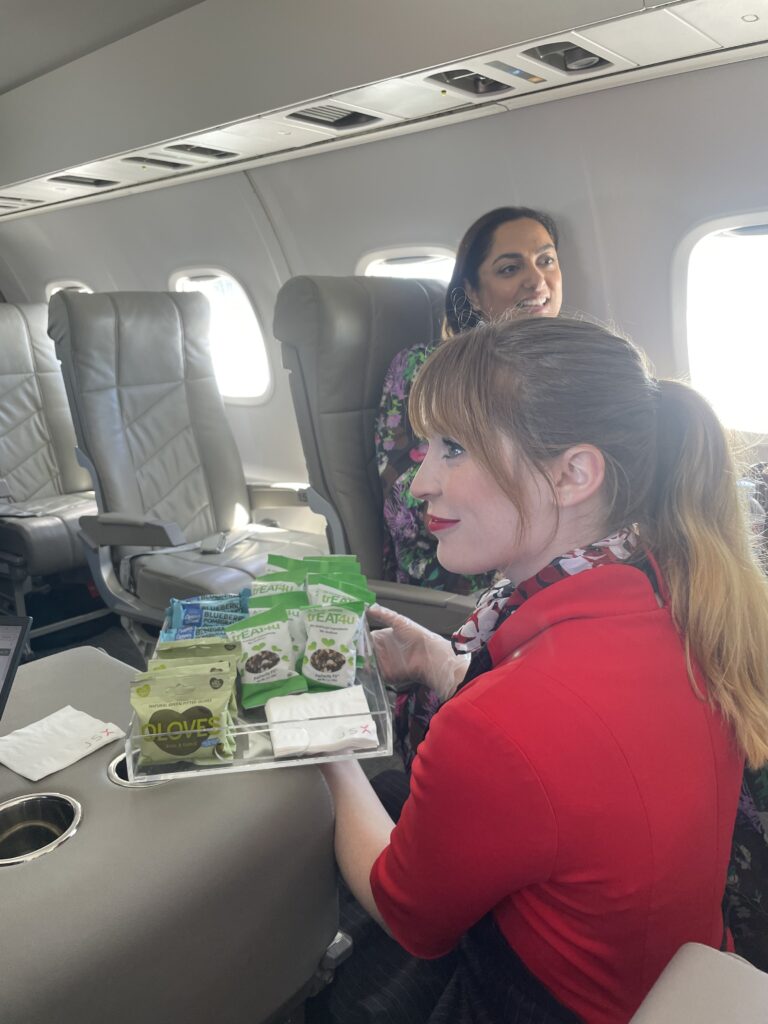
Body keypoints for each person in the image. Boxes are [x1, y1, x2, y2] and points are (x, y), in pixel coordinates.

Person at [311, 317, 768, 1024]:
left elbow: (409, 915)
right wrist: (441, 664)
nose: (416, 484)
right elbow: (582, 759)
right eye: (426, 446)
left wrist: (326, 745)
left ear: (573, 474)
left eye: (453, 449)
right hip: (668, 963)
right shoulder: (688, 591)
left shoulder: (500, 725)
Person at [375, 206, 562, 766]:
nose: (537, 279)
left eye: (547, 260)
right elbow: (406, 502)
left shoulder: (570, 372)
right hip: (457, 570)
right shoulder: (429, 369)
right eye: (510, 268)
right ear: (473, 294)